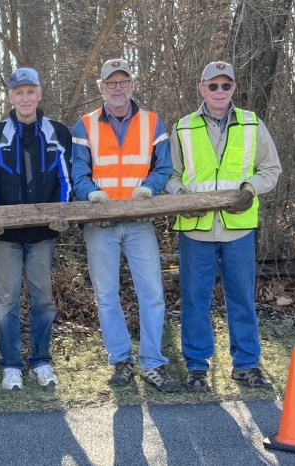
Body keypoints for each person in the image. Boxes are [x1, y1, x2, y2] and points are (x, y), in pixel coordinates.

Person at [166, 61, 282, 392]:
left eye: (226, 86)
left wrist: (250, 189)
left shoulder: (252, 123)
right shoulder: (183, 127)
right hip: (195, 230)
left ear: (234, 89)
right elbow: (171, 176)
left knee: (242, 299)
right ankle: (197, 368)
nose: (220, 92)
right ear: (201, 88)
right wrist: (182, 201)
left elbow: (271, 168)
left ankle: (246, 365)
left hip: (239, 229)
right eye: (213, 86)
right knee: (194, 300)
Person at [71, 58, 180, 392]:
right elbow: (78, 172)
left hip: (139, 223)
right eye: (110, 83)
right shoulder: (85, 125)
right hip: (100, 222)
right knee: (106, 295)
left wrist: (150, 188)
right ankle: (120, 361)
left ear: (132, 84)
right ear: (101, 88)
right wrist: (91, 195)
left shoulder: (152, 122)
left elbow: (164, 168)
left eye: (123, 82)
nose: (117, 88)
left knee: (152, 294)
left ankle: (152, 363)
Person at [0, 67, 72, 390]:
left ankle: (41, 361)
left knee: (43, 299)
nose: (25, 98)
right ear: (11, 97)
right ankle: (11, 364)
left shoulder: (57, 132)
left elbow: (66, 178)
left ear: (40, 94)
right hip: (4, 237)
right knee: (5, 302)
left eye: (31, 91)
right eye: (19, 92)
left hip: (43, 233)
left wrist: (62, 211)